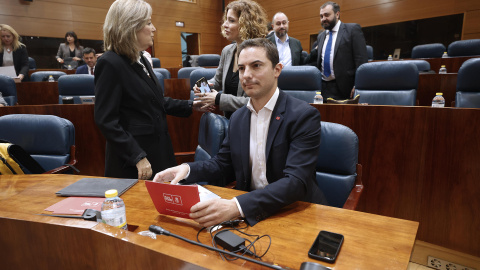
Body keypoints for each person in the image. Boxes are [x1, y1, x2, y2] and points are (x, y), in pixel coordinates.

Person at [154, 38, 327, 227]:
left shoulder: (303, 116)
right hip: (251, 212)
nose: (246, 75)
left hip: (294, 211)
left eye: (256, 66)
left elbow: (295, 182)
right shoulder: (238, 118)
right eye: (242, 68)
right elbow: (223, 164)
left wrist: (236, 206)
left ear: (277, 70)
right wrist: (187, 169)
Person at [94, 0, 205, 180]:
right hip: (134, 162)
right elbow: (106, 121)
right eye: (148, 23)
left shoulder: (141, 59)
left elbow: (155, 102)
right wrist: (137, 156)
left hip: (158, 151)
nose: (153, 28)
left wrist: (192, 105)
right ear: (130, 26)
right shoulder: (110, 63)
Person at [194, 0, 268, 119]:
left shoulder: (261, 53)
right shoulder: (227, 51)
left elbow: (257, 102)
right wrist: (203, 86)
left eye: (231, 20)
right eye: (225, 20)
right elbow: (217, 81)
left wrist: (219, 99)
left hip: (253, 121)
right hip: (231, 120)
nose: (225, 25)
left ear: (246, 24)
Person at [308, 1, 368, 100]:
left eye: (327, 15)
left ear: (337, 14)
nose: (323, 19)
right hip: (323, 88)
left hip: (345, 88)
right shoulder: (321, 36)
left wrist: (357, 85)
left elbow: (361, 61)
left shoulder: (352, 30)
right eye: (321, 16)